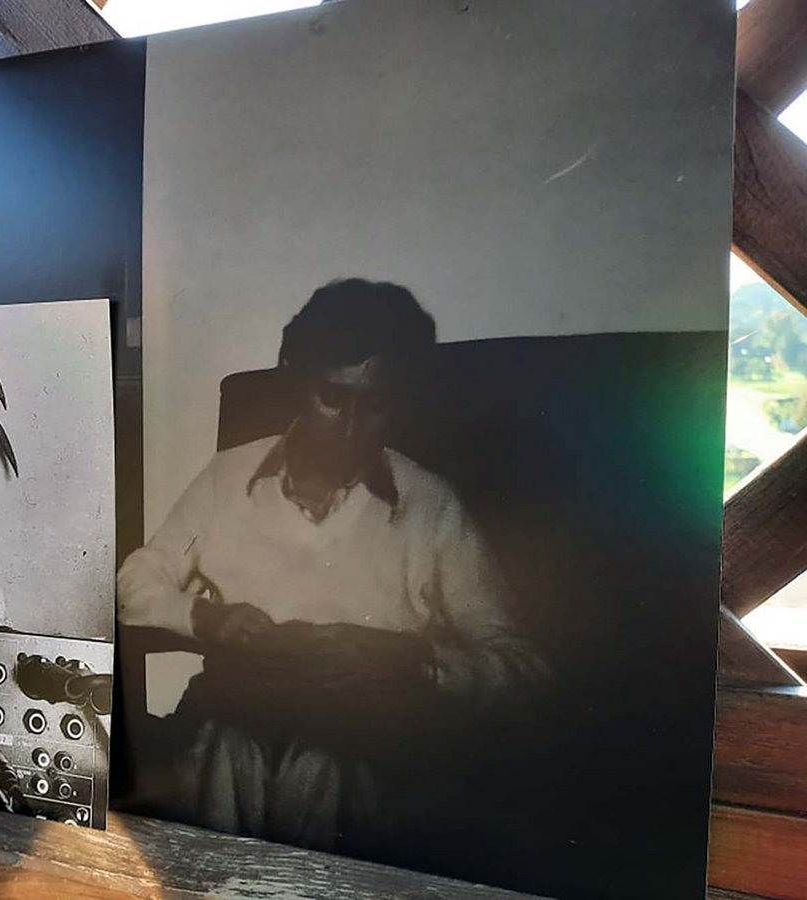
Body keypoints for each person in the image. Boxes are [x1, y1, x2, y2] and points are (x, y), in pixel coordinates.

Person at [118, 278, 548, 853]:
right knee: (229, 750)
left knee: (321, 767)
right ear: (296, 384)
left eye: (374, 405)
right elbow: (134, 585)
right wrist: (207, 619)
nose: (349, 427)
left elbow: (523, 667)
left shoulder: (432, 505)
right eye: (332, 398)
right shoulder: (227, 478)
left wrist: (415, 660)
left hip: (368, 735)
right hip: (237, 713)